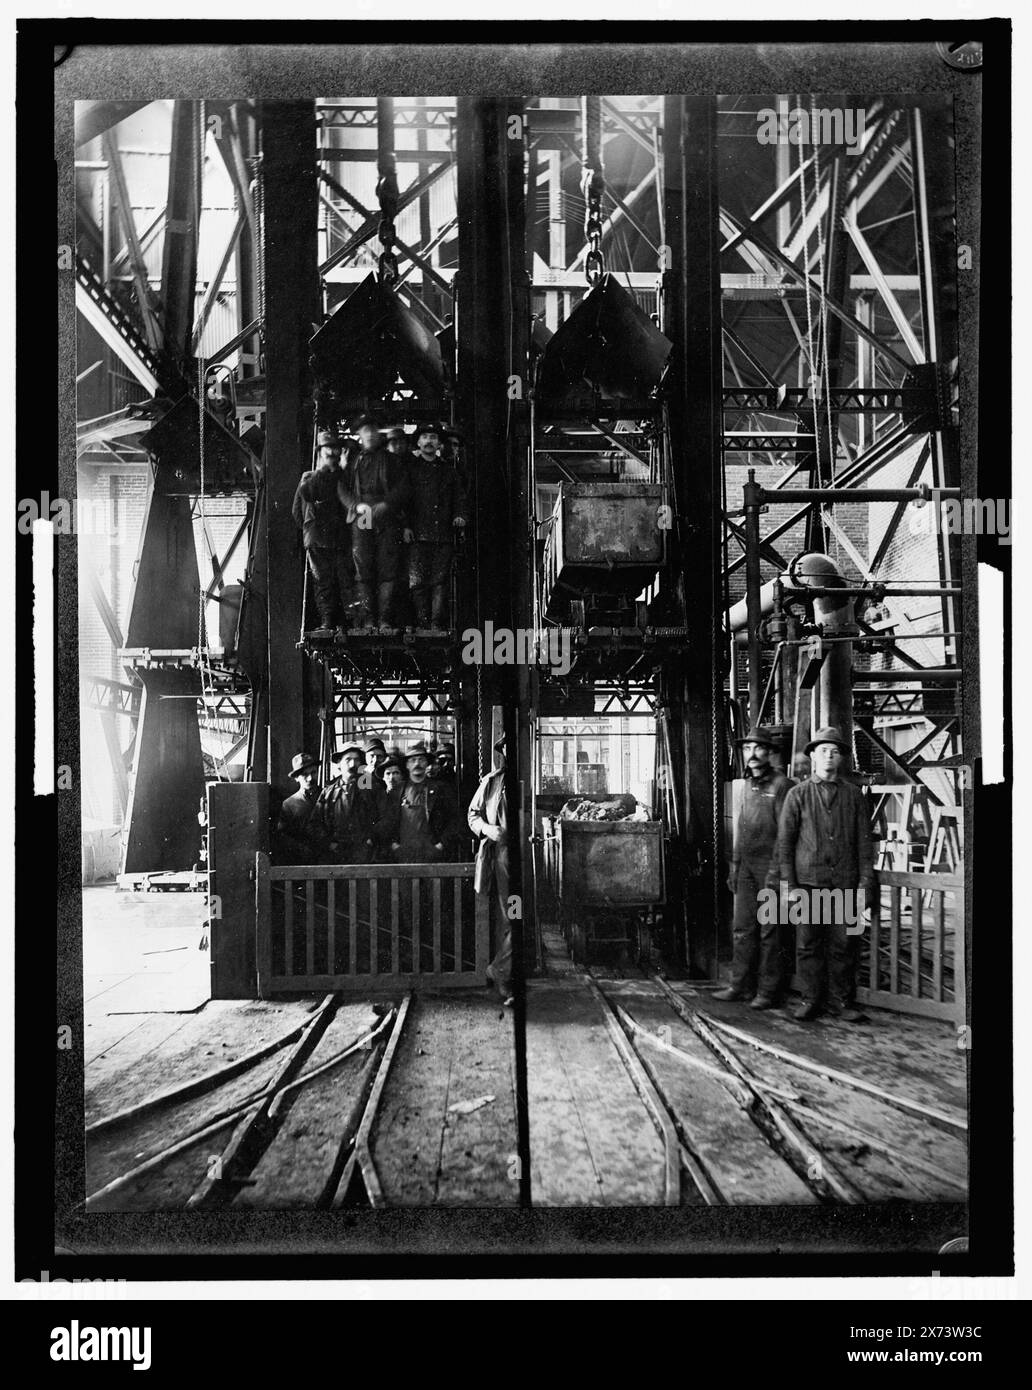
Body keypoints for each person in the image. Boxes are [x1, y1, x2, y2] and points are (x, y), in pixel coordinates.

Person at [775, 726, 875, 1024]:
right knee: (807, 945)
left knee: (844, 945)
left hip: (844, 885)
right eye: (823, 751)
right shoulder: (797, 795)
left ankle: (840, 1003)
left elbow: (864, 846)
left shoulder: (854, 796)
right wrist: (788, 887)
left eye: (834, 751)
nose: (829, 756)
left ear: (841, 758)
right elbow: (784, 845)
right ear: (813, 758)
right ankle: (810, 1000)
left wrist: (864, 885)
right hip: (807, 885)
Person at [714, 727, 794, 1010]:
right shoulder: (747, 785)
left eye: (758, 749)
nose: (752, 755)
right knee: (742, 928)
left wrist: (776, 873)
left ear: (770, 753)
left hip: (771, 868)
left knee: (770, 932)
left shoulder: (782, 786)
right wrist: (734, 866)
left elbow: (786, 835)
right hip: (746, 867)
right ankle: (739, 985)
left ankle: (768, 992)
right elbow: (740, 827)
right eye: (748, 749)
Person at [339, 415, 411, 631]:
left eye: (373, 430)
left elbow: (404, 487)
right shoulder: (352, 463)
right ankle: (369, 620)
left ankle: (385, 621)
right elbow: (342, 489)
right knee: (364, 569)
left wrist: (387, 504)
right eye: (365, 431)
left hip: (386, 515)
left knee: (387, 569)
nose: (369, 434)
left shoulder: (393, 461)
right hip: (363, 515)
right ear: (359, 435)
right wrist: (355, 505)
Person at [402, 424, 467, 630]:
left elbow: (459, 498)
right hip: (417, 535)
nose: (429, 441)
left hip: (442, 535)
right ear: (419, 443)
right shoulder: (410, 470)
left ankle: (436, 625)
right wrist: (405, 526)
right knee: (418, 583)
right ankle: (422, 624)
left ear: (439, 444)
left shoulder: (449, 472)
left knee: (439, 582)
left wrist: (460, 516)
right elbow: (404, 501)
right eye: (425, 437)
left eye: (433, 437)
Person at [291, 429, 351, 636]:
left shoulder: (344, 476)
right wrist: (310, 530)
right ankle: (328, 621)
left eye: (335, 448)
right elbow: (298, 509)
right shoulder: (310, 478)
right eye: (328, 448)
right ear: (320, 451)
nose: (332, 452)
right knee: (323, 582)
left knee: (343, 580)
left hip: (339, 537)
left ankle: (343, 622)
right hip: (318, 538)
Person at [468, 736, 512, 1004]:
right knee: (512, 918)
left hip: (533, 861)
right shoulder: (492, 782)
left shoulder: (531, 779)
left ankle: (502, 970)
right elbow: (473, 814)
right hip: (505, 862)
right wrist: (487, 829)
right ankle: (503, 974)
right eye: (507, 747)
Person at [383, 741, 459, 864]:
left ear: (427, 764)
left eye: (421, 760)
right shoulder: (397, 792)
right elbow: (387, 821)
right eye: (413, 760)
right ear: (407, 765)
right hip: (404, 855)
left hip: (432, 855)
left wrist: (440, 845)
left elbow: (454, 820)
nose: (417, 764)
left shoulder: (441, 789)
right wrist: (394, 845)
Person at [316, 740, 381, 865]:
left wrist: (370, 839)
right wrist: (329, 843)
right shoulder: (328, 792)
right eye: (348, 760)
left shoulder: (372, 788)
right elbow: (315, 824)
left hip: (366, 855)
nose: (353, 764)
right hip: (336, 856)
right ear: (339, 764)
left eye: (357, 760)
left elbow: (385, 817)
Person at [274, 751, 325, 864]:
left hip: (327, 859)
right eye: (305, 775)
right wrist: (302, 850)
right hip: (302, 862)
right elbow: (283, 836)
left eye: (313, 772)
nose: (310, 778)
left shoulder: (328, 796)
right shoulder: (289, 804)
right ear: (296, 778)